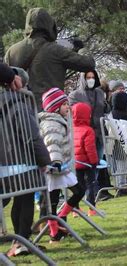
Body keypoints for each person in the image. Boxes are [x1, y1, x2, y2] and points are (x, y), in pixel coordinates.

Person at [0, 67, 51, 257]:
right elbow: (32, 137)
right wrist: (44, 160)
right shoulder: (20, 106)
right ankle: (22, 241)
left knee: (15, 202)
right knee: (26, 200)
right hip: (24, 164)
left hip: (4, 167)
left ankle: (18, 240)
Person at [4, 8, 95, 105]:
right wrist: (81, 49)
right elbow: (88, 64)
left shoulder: (12, 51)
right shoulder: (56, 50)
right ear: (50, 25)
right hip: (49, 111)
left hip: (20, 114)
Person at [39, 88, 85, 243]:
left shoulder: (59, 120)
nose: (68, 107)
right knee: (52, 201)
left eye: (68, 103)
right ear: (55, 106)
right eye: (64, 104)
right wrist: (56, 161)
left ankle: (61, 217)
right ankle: (54, 233)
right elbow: (52, 143)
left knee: (79, 191)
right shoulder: (51, 123)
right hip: (55, 168)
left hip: (61, 167)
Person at [69, 70, 110, 197]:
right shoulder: (74, 95)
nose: (91, 79)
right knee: (83, 167)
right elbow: (71, 114)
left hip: (98, 133)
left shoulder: (99, 92)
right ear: (83, 78)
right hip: (82, 135)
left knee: (96, 164)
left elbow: (105, 109)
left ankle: (92, 192)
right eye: (88, 77)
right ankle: (85, 192)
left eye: (93, 77)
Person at [72, 102, 99, 216]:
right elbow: (90, 149)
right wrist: (94, 162)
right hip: (87, 164)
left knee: (77, 187)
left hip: (75, 163)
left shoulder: (70, 129)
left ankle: (75, 209)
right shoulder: (88, 130)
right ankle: (91, 208)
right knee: (90, 185)